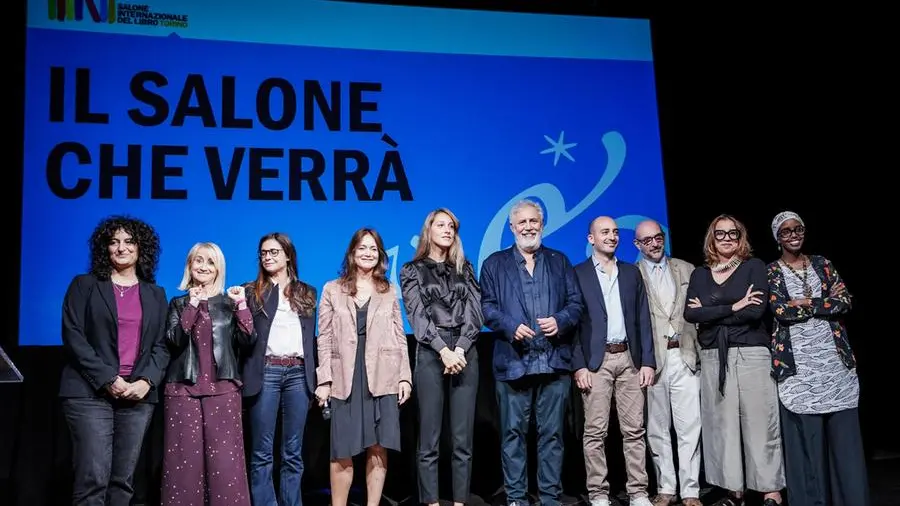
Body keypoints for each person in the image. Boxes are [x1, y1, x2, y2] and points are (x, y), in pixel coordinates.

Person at [59, 215, 170, 506]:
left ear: (141, 248)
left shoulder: (156, 294)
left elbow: (162, 345)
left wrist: (146, 381)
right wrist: (109, 378)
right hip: (89, 393)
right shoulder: (84, 285)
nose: (121, 248)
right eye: (114, 242)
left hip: (137, 396)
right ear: (104, 248)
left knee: (123, 482)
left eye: (129, 241)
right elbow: (74, 337)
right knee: (92, 479)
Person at [480, 199, 583, 506]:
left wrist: (560, 321)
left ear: (542, 224)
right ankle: (516, 498)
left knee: (552, 435)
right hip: (514, 363)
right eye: (522, 222)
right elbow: (486, 307)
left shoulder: (559, 261)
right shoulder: (495, 264)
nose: (528, 227)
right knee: (513, 435)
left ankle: (550, 497)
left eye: (533, 221)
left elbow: (575, 304)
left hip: (553, 362)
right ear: (512, 227)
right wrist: (510, 326)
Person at [767, 211, 870, 506]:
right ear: (777, 238)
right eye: (786, 231)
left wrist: (807, 302)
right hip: (799, 370)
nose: (793, 235)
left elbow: (845, 301)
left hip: (835, 366)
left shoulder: (822, 264)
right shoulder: (771, 271)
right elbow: (781, 310)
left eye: (798, 229)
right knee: (808, 450)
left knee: (846, 448)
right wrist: (824, 303)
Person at [683, 214, 784, 506]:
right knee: (722, 426)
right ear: (711, 238)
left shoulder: (754, 267)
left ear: (741, 238)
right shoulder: (700, 274)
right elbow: (691, 314)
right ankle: (733, 491)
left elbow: (755, 312)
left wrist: (711, 311)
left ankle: (770, 490)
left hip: (752, 352)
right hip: (714, 356)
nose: (727, 238)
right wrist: (735, 305)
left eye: (733, 233)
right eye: (720, 233)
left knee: (760, 422)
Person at [315, 228, 413, 506]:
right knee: (341, 450)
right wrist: (324, 380)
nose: (368, 253)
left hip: (383, 376)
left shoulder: (388, 290)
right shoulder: (332, 289)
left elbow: (399, 336)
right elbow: (324, 338)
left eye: (373, 249)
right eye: (362, 248)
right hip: (344, 377)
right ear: (352, 253)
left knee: (379, 447)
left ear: (380, 255)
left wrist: (404, 377)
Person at [400, 208, 483, 506]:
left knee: (462, 438)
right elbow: (416, 316)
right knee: (429, 436)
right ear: (429, 230)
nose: (447, 230)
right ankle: (431, 502)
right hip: (431, 352)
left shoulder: (465, 268)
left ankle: (460, 501)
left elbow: (475, 312)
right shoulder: (412, 269)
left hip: (464, 351)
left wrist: (459, 349)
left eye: (452, 226)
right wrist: (443, 351)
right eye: (441, 225)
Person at [162, 242, 255, 506]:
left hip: (223, 390)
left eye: (210, 262)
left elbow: (248, 341)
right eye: (198, 260)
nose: (204, 267)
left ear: (219, 269)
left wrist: (242, 305)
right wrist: (192, 305)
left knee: (226, 465)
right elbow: (174, 340)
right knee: (184, 465)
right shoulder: (178, 303)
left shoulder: (229, 303)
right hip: (183, 391)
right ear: (189, 265)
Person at [572, 216, 655, 506]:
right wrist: (579, 365)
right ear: (591, 238)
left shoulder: (631, 273)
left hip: (630, 359)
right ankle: (598, 494)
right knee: (595, 432)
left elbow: (643, 319)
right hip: (596, 362)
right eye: (605, 232)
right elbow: (573, 325)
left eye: (615, 232)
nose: (611, 236)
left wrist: (648, 361)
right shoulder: (578, 273)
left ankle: (638, 492)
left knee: (634, 430)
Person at [242, 233, 319, 506]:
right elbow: (244, 337)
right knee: (262, 452)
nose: (268, 257)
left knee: (293, 453)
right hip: (266, 372)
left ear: (288, 255)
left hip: (298, 373)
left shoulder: (307, 292)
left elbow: (312, 339)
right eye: (263, 253)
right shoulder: (251, 291)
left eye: (274, 252)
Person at [632, 220, 702, 506]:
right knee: (657, 428)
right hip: (653, 360)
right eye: (647, 240)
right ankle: (666, 488)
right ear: (637, 245)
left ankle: (691, 491)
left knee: (690, 427)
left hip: (685, 354)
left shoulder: (687, 269)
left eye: (658, 237)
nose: (654, 244)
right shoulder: (632, 275)